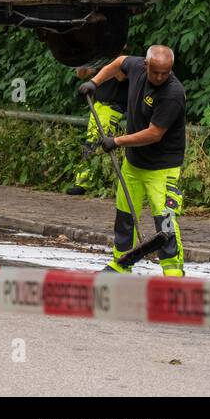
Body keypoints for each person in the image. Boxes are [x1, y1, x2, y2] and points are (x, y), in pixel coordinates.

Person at [79, 46, 187, 275]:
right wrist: (95, 83)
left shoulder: (173, 93)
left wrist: (117, 141)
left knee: (165, 222)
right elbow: (118, 62)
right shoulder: (136, 66)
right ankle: (121, 265)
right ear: (145, 65)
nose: (160, 77)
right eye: (155, 72)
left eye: (165, 73)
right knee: (124, 216)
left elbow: (154, 134)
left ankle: (173, 275)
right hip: (134, 163)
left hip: (162, 168)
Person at [66, 61, 128, 195]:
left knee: (98, 144)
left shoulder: (122, 61)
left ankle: (91, 183)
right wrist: (83, 59)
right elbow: (81, 74)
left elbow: (121, 77)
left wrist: (108, 62)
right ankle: (83, 182)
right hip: (98, 105)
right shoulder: (101, 60)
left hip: (113, 108)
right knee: (90, 143)